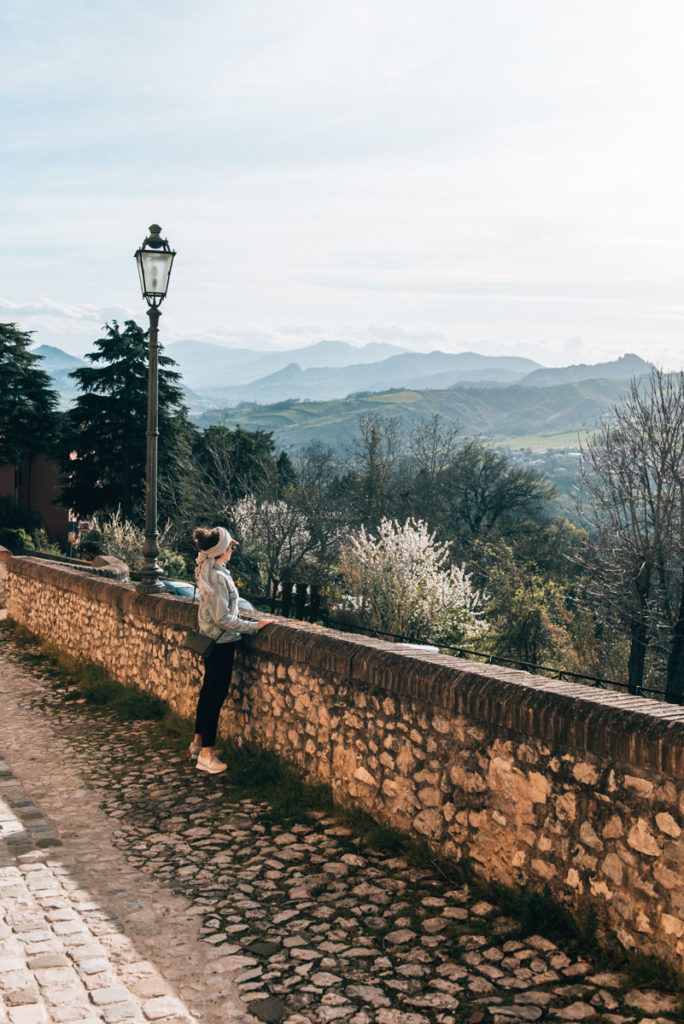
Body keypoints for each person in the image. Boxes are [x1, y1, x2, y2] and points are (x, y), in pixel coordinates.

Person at [190, 525, 272, 774]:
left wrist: (224, 544)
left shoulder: (210, 568)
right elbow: (223, 617)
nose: (232, 550)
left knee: (207, 693)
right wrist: (254, 626)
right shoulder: (215, 575)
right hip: (222, 642)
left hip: (212, 641)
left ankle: (197, 744)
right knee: (214, 697)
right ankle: (207, 754)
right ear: (221, 550)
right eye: (229, 547)